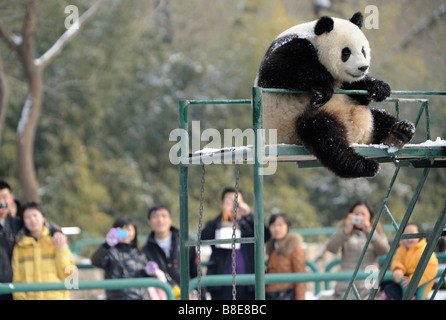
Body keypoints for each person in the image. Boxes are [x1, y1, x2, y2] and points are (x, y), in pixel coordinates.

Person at [0, 180, 64, 300]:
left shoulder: (19, 224)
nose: (1, 202)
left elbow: (41, 225)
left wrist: (57, 232)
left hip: (14, 289)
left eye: (4, 197)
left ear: (11, 199)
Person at [324, 200, 390, 299]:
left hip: (369, 284)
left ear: (370, 217)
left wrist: (370, 232)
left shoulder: (377, 232)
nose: (359, 216)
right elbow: (331, 248)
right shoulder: (344, 231)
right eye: (356, 213)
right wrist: (345, 232)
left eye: (363, 214)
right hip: (346, 284)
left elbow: (385, 251)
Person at [11, 202, 75, 300]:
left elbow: (69, 275)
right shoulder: (19, 247)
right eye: (27, 217)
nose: (32, 220)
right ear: (24, 222)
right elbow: (16, 280)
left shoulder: (57, 241)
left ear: (43, 218)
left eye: (35, 215)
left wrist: (61, 249)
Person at [201, 187, 255, 300]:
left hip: (248, 284)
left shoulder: (249, 224)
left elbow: (265, 235)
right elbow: (203, 237)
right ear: (222, 204)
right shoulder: (216, 223)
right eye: (228, 202)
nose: (233, 206)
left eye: (237, 202)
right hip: (221, 284)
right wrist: (223, 216)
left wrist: (249, 215)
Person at [141, 204, 196, 299]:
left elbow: (195, 271)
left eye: (164, 216)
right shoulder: (145, 250)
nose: (160, 220)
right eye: (155, 216)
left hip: (187, 294)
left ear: (170, 220)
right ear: (149, 221)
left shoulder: (186, 242)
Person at [91, 216, 150, 300]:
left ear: (134, 233)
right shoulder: (110, 252)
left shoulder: (140, 253)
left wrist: (150, 272)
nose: (125, 233)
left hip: (141, 297)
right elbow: (96, 262)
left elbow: (144, 277)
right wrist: (106, 245)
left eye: (129, 230)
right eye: (121, 230)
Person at [381, 223, 438, 300]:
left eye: (412, 234)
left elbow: (431, 269)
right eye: (406, 234)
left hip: (418, 286)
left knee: (391, 289)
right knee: (383, 281)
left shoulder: (425, 250)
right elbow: (397, 260)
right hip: (403, 281)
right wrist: (398, 269)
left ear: (420, 236)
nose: (409, 238)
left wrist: (414, 279)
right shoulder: (402, 249)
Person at [265, 212, 306, 300]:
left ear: (288, 227)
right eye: (273, 225)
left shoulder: (294, 248)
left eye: (280, 225)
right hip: (270, 295)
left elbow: (300, 278)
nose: (276, 228)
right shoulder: (272, 248)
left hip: (286, 294)